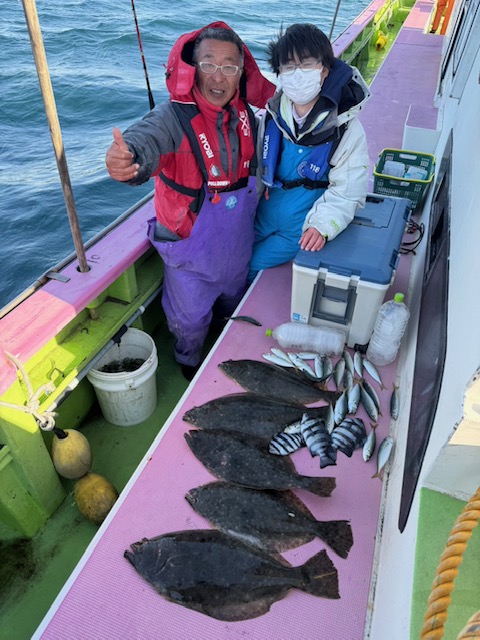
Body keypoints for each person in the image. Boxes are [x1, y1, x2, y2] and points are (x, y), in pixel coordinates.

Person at [105, 23, 275, 380]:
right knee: (190, 319)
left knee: (233, 302)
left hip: (238, 246)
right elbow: (144, 140)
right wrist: (127, 160)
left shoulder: (248, 115)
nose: (219, 76)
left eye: (230, 66)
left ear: (241, 73)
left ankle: (228, 343)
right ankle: (189, 362)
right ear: (193, 69)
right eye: (209, 64)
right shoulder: (171, 118)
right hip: (189, 251)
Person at [248, 23, 370, 283]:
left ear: (324, 70)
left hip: (300, 226)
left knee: (251, 266)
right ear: (279, 73)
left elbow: (348, 191)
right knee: (232, 260)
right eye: (289, 66)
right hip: (263, 213)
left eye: (306, 64)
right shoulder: (272, 115)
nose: (297, 73)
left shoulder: (346, 128)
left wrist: (322, 226)